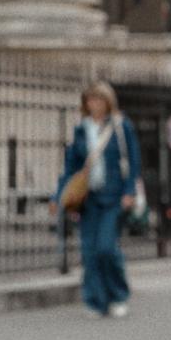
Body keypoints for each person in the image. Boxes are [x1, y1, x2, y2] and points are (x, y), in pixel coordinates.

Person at [55, 80, 143, 317]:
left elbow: (133, 162)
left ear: (108, 102)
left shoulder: (121, 126)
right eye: (91, 100)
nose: (95, 104)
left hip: (113, 197)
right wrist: (59, 196)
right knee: (89, 251)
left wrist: (129, 191)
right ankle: (96, 300)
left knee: (106, 247)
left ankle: (118, 295)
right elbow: (71, 167)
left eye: (99, 99)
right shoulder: (81, 129)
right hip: (89, 199)